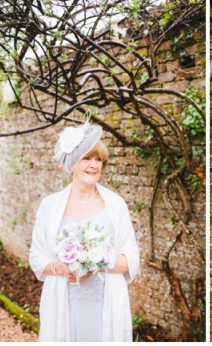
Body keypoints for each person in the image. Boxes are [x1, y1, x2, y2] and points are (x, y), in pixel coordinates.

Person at [29, 119, 140, 342]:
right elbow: (36, 257)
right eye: (87, 158)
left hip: (105, 299)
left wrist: (95, 260)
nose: (94, 165)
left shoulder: (116, 205)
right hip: (63, 298)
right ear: (71, 162)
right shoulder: (50, 206)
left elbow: (131, 259)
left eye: (99, 160)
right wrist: (61, 268)